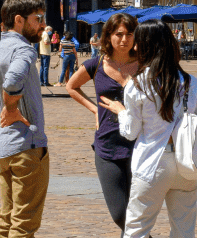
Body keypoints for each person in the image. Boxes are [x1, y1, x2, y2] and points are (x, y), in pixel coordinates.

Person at [99, 20, 197, 238]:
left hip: (151, 163)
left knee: (137, 230)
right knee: (184, 231)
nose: (133, 47)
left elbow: (130, 132)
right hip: (185, 164)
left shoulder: (138, 84)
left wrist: (120, 111)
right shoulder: (190, 82)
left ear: (145, 46)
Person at [0, 0, 48, 238]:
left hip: (2, 149)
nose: (42, 24)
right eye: (38, 18)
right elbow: (13, 81)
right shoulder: (24, 51)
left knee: (6, 219)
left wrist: (1, 130)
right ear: (19, 20)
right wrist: (12, 109)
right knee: (24, 224)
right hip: (27, 147)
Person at [67, 12, 139, 231]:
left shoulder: (145, 64)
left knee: (136, 212)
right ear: (108, 36)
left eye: (129, 34)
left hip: (140, 145)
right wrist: (94, 109)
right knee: (120, 214)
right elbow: (71, 86)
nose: (124, 39)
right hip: (108, 145)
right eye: (119, 34)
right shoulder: (96, 63)